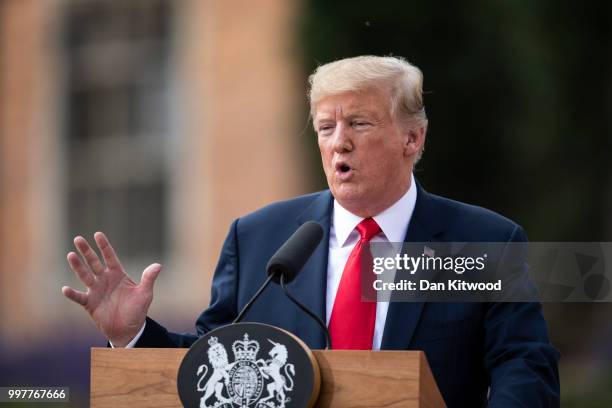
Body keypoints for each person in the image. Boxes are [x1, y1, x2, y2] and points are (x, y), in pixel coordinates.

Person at [62, 55, 560, 407]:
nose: (339, 143)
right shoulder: (260, 238)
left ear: (413, 137)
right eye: (326, 128)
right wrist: (133, 336)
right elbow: (213, 361)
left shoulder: (482, 242)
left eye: (360, 124)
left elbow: (524, 369)